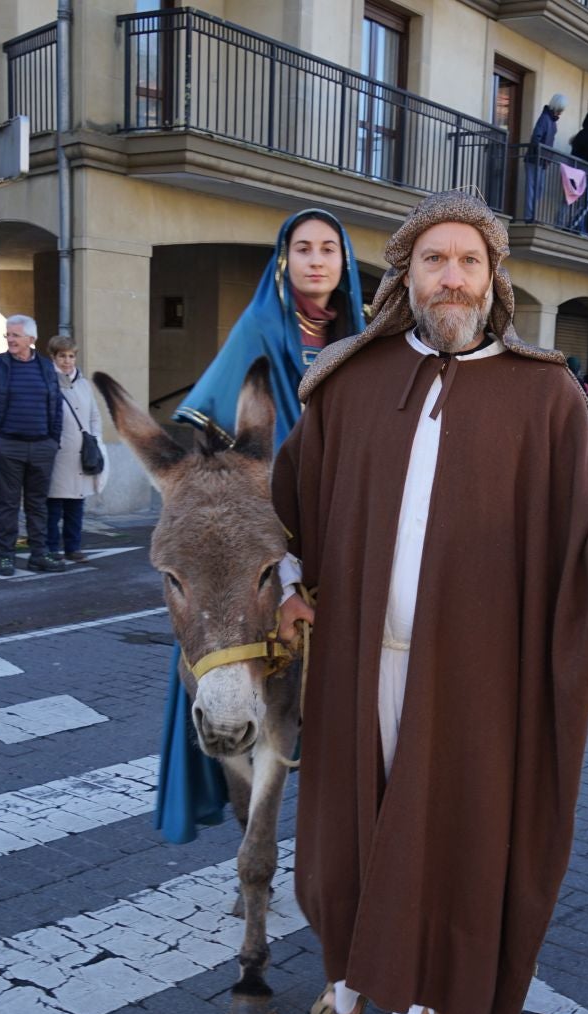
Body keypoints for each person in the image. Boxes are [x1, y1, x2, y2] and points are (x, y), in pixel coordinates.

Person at [275, 190, 588, 1014]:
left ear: (494, 279)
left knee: (442, 855)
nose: (452, 277)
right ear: (405, 277)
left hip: (473, 686)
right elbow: (290, 502)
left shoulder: (544, 395)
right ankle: (346, 970)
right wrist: (288, 581)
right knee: (349, 838)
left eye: (469, 262)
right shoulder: (353, 379)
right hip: (355, 664)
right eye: (433, 261)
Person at [154, 209, 368, 845]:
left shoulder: (365, 338)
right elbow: (217, 442)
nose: (316, 260)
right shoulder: (256, 328)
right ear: (284, 260)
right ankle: (244, 802)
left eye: (329, 248)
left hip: (344, 523)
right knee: (215, 639)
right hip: (269, 524)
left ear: (345, 262)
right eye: (302, 248)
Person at [0, 315, 65, 577]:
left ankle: (38, 555)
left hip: (42, 446)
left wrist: (53, 441)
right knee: (9, 504)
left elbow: (56, 405)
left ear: (31, 339)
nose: (10, 340)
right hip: (8, 446)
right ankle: (6, 556)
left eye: (15, 335)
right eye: (8, 335)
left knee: (38, 504)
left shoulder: (46, 367)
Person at [42, 334, 112, 563]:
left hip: (82, 453)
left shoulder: (83, 383)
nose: (67, 361)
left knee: (76, 503)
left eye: (71, 356)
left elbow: (94, 416)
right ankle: (52, 548)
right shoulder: (46, 381)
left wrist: (95, 439)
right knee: (53, 504)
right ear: (53, 356)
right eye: (62, 356)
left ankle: (73, 546)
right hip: (57, 453)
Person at [525, 95, 565, 215]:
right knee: (532, 189)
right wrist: (540, 155)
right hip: (535, 159)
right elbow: (536, 137)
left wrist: (547, 159)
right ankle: (529, 216)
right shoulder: (545, 119)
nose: (562, 112)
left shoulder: (552, 121)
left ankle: (531, 215)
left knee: (538, 189)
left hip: (542, 161)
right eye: (561, 109)